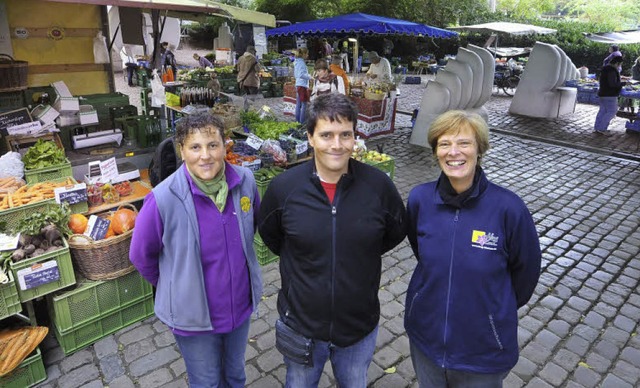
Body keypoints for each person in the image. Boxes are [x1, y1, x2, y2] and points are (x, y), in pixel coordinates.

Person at [258, 93, 407, 388]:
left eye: (345, 135)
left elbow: (394, 231)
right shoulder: (284, 188)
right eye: (326, 135)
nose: (337, 145)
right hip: (301, 325)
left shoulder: (379, 187)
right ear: (311, 137)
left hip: (357, 327)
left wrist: (357, 248)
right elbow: (272, 235)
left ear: (355, 137)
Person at [405, 110, 541, 388]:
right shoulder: (420, 199)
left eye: (464, 143)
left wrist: (491, 310)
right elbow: (422, 252)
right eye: (444, 144)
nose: (453, 152)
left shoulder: (509, 208)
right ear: (435, 152)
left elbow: (526, 274)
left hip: (482, 352)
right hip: (426, 341)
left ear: (480, 149)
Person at [129, 112, 263, 388]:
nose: (206, 155)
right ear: (182, 150)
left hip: (239, 306)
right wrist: (177, 284)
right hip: (194, 317)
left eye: (212, 145)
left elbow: (253, 225)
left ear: (225, 146)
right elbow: (141, 255)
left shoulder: (244, 181)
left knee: (236, 376)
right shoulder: (163, 198)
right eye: (195, 147)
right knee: (207, 382)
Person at [595, 56, 626, 133]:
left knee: (603, 111)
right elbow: (612, 84)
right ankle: (602, 128)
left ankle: (597, 127)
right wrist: (624, 83)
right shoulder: (611, 70)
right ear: (616, 63)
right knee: (612, 111)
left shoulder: (605, 68)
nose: (620, 66)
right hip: (609, 94)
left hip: (602, 93)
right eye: (620, 64)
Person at [294, 47, 312, 123]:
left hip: (298, 84)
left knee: (298, 104)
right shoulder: (301, 63)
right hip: (302, 85)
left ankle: (297, 121)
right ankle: (302, 121)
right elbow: (301, 74)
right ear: (303, 54)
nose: (307, 55)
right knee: (304, 104)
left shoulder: (297, 62)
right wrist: (310, 77)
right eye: (307, 53)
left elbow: (296, 74)